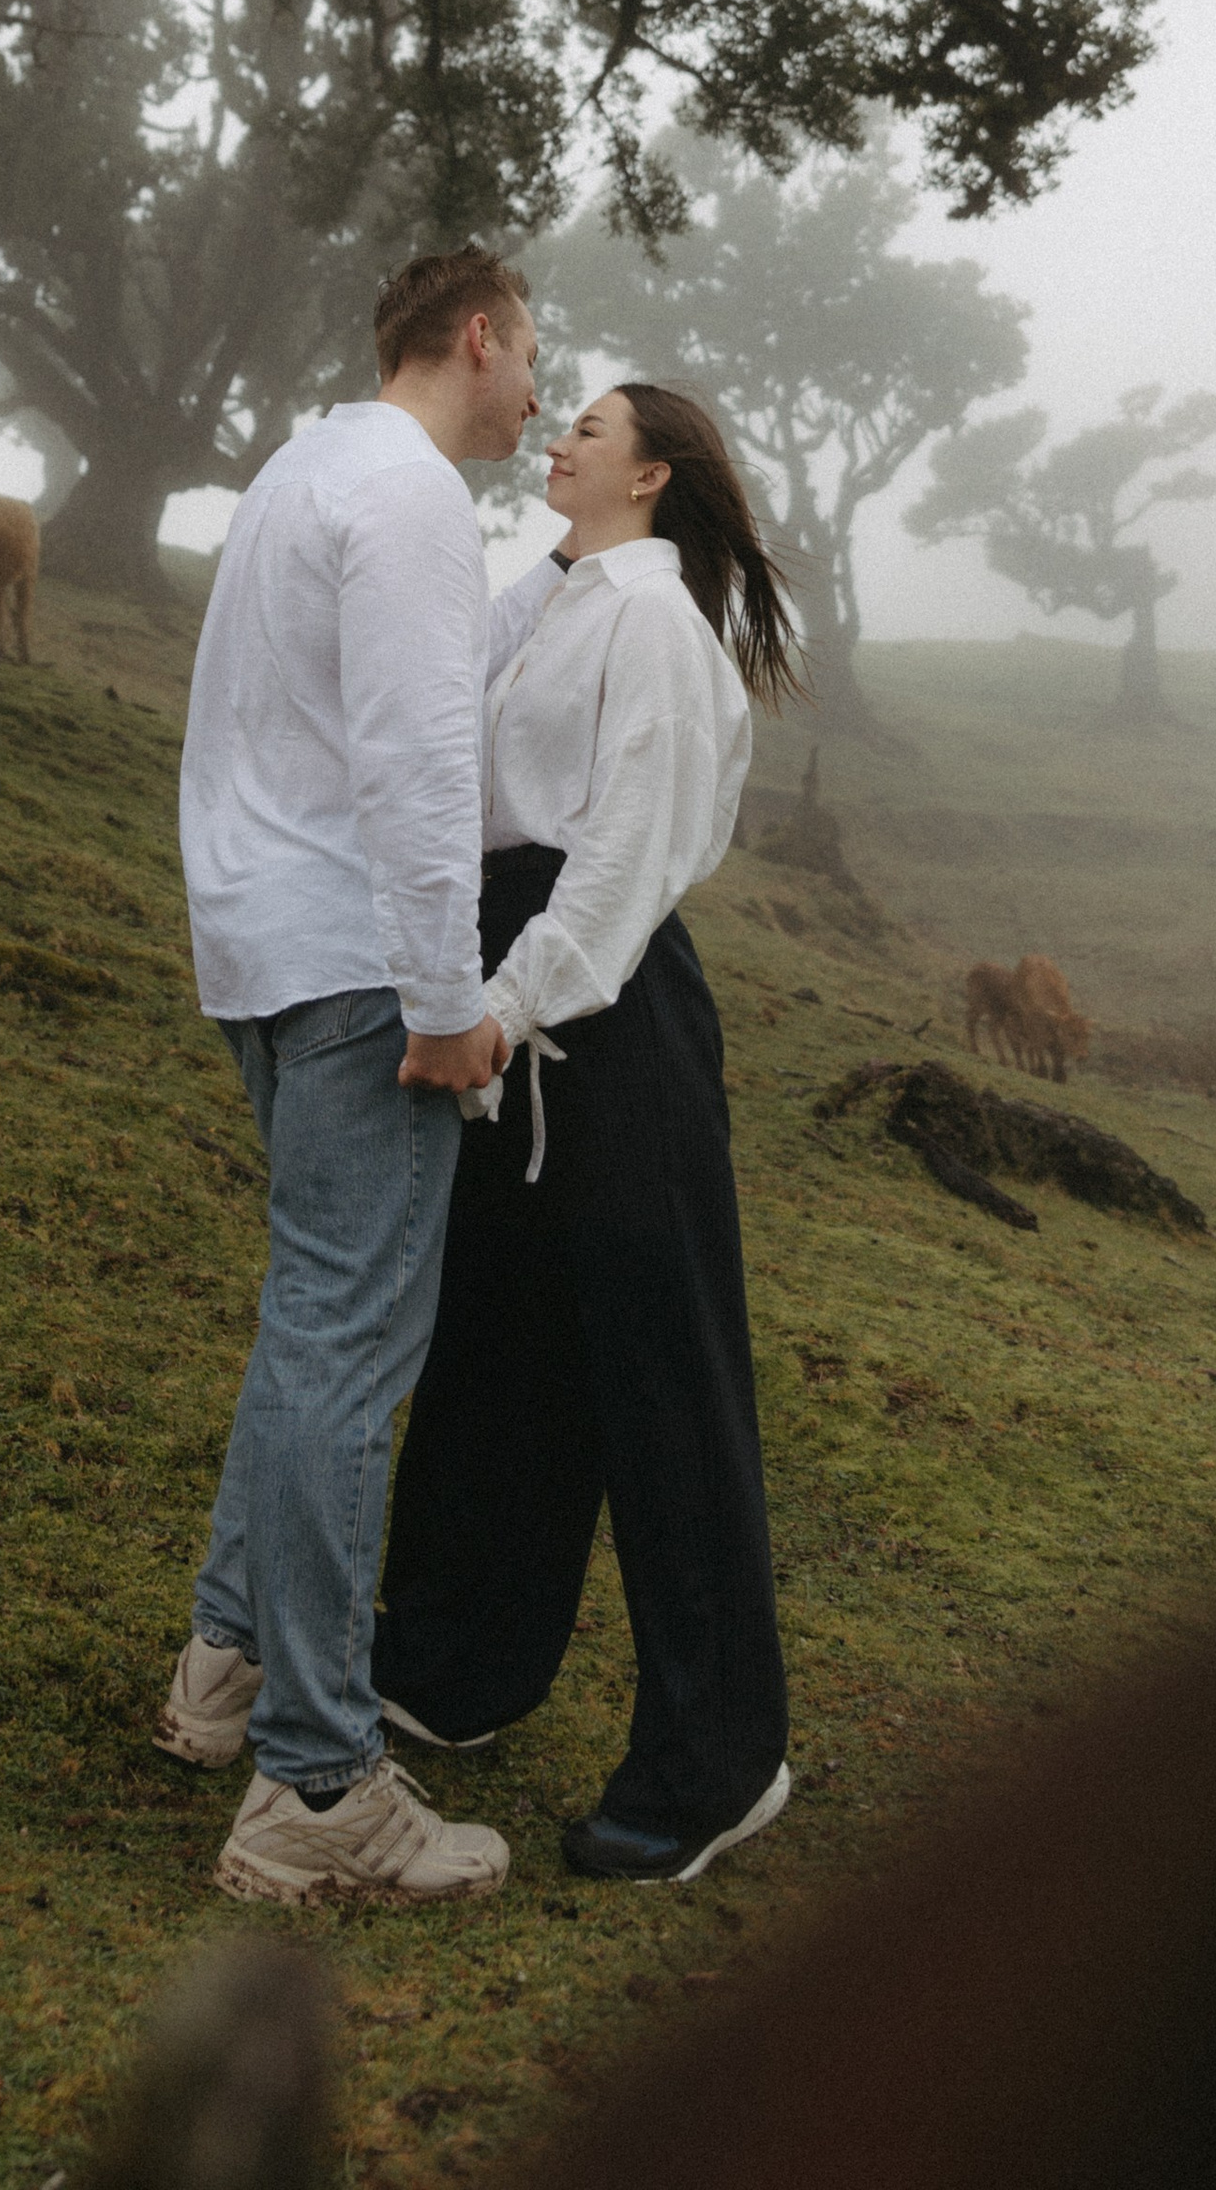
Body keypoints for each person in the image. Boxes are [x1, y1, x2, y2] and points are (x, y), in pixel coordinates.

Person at [371, 380, 805, 1882]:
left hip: (601, 1010)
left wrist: (515, 1003)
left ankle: (715, 1761)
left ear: (656, 473)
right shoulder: (557, 599)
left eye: (592, 432)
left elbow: (623, 853)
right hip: (501, 977)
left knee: (660, 1378)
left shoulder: (661, 630)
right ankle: (455, 1665)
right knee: (501, 1340)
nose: (556, 439)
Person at [154, 243, 541, 1905]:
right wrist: (446, 994)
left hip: (262, 945)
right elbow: (416, 755)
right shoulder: (409, 498)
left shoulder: (302, 468)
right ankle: (320, 1786)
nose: (540, 389)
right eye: (534, 355)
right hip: (361, 974)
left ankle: (228, 1666)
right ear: (478, 336)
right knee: (350, 1346)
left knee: (307, 1319)